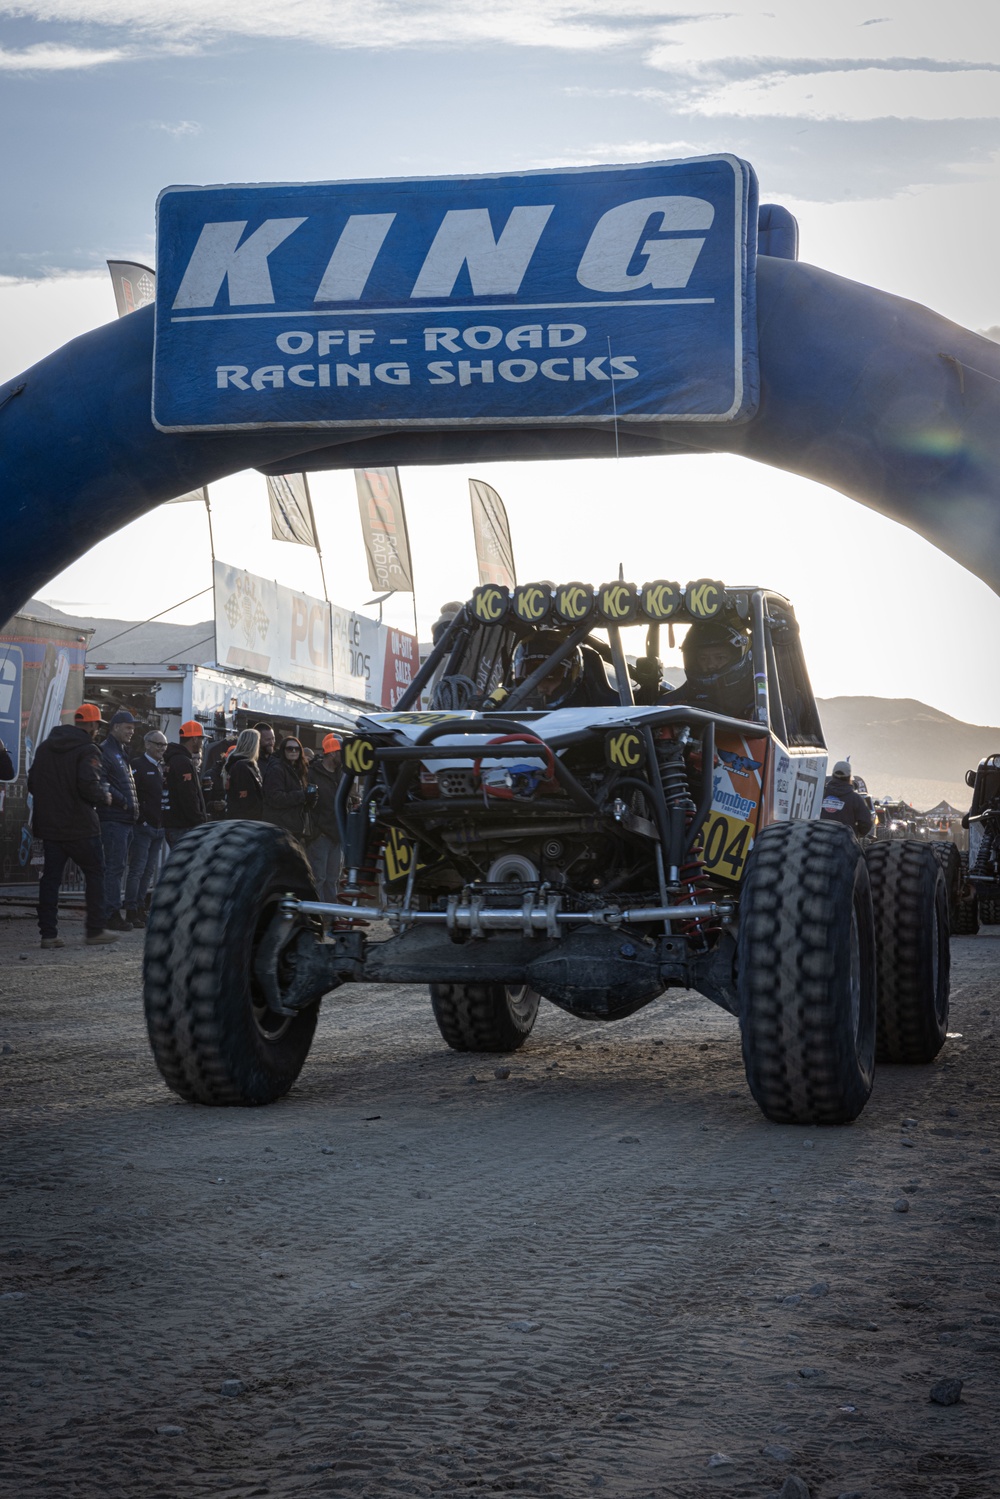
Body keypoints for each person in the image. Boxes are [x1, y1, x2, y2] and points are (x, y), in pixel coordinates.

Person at [26, 703, 119, 948]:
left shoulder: (46, 747)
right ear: (91, 725)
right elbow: (88, 784)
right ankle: (95, 930)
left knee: (51, 879)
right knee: (96, 872)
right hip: (80, 827)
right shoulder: (88, 749)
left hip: (50, 827)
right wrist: (104, 796)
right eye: (98, 725)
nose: (98, 730)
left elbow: (33, 783)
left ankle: (48, 934)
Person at [97, 709, 139, 932]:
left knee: (116, 868)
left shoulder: (120, 752)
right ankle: (110, 914)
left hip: (123, 820)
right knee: (114, 868)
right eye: (128, 727)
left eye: (133, 728)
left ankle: (111, 912)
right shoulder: (107, 751)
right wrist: (123, 802)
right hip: (114, 819)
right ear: (114, 728)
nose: (132, 731)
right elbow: (102, 782)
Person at [662, 621, 755, 721]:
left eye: (720, 658)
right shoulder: (672, 702)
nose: (710, 665)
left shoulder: (760, 701)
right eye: (703, 659)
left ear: (736, 658)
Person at [124, 728, 167, 926]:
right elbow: (132, 795)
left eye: (164, 745)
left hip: (158, 828)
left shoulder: (162, 766)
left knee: (148, 871)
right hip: (143, 828)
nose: (162, 748)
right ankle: (131, 909)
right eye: (158, 744)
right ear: (147, 744)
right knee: (137, 870)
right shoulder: (137, 765)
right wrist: (141, 820)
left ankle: (140, 908)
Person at [510, 630, 588, 710]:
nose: (541, 687)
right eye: (530, 676)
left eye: (552, 675)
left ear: (570, 677)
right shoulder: (506, 710)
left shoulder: (590, 717)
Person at [307, 733, 343, 899]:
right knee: (319, 879)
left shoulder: (341, 774)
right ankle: (317, 919)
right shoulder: (312, 773)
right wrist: (316, 830)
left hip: (336, 835)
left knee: (332, 880)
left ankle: (330, 918)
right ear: (333, 753)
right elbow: (307, 803)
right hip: (320, 836)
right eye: (342, 752)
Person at [163, 720, 209, 847]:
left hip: (176, 825)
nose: (202, 743)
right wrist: (199, 820)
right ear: (194, 739)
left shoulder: (174, 759)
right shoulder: (182, 762)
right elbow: (188, 795)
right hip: (184, 828)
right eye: (201, 739)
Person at [262, 734, 315, 842]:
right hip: (279, 828)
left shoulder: (298, 769)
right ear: (283, 750)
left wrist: (311, 797)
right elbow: (275, 798)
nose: (293, 751)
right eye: (289, 748)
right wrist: (302, 795)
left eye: (297, 749)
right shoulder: (276, 769)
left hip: (293, 826)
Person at [821, 761, 875, 839]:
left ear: (833, 775)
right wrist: (854, 834)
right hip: (844, 844)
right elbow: (866, 824)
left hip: (819, 842)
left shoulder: (820, 794)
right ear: (849, 777)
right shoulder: (855, 799)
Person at [224, 728, 264, 819]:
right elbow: (245, 802)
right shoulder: (242, 767)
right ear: (253, 745)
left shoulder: (243, 765)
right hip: (245, 822)